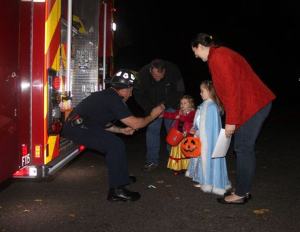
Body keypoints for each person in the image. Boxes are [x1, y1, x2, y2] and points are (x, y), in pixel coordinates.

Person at [191, 33, 276, 204]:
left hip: (252, 106)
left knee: (243, 148)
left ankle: (241, 194)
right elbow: (228, 88)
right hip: (252, 104)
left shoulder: (218, 58)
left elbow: (232, 90)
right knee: (244, 148)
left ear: (200, 46)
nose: (195, 55)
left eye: (194, 51)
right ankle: (243, 190)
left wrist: (231, 120)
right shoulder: (220, 54)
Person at [61, 69, 165, 202]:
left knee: (116, 143)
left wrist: (121, 131)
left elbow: (102, 123)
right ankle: (117, 190)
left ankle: (122, 178)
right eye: (131, 90)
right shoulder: (114, 99)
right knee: (114, 145)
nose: (131, 94)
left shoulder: (109, 96)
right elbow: (136, 124)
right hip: (76, 128)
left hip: (82, 126)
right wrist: (153, 115)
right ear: (124, 89)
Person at [133, 59, 185, 171]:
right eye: (155, 76)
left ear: (165, 71)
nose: (158, 79)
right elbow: (138, 93)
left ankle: (174, 161)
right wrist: (151, 109)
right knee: (152, 131)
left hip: (170, 105)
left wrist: (164, 106)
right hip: (151, 106)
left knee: (173, 132)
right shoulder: (142, 74)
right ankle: (152, 161)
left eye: (161, 76)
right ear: (150, 70)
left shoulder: (173, 70)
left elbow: (180, 91)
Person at [185, 80, 231, 195]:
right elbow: (200, 122)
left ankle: (209, 181)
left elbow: (209, 128)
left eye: (202, 91)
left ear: (210, 91)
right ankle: (202, 178)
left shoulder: (211, 107)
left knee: (206, 158)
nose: (200, 93)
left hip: (208, 140)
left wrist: (200, 133)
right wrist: (195, 129)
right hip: (201, 137)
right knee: (200, 158)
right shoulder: (204, 105)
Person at [163, 95, 196, 175]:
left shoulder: (192, 112)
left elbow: (188, 119)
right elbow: (172, 115)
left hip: (186, 136)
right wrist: (163, 114)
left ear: (190, 104)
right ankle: (177, 168)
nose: (182, 105)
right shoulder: (179, 112)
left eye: (185, 103)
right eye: (181, 103)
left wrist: (180, 117)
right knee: (177, 152)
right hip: (178, 135)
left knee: (186, 152)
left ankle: (186, 167)